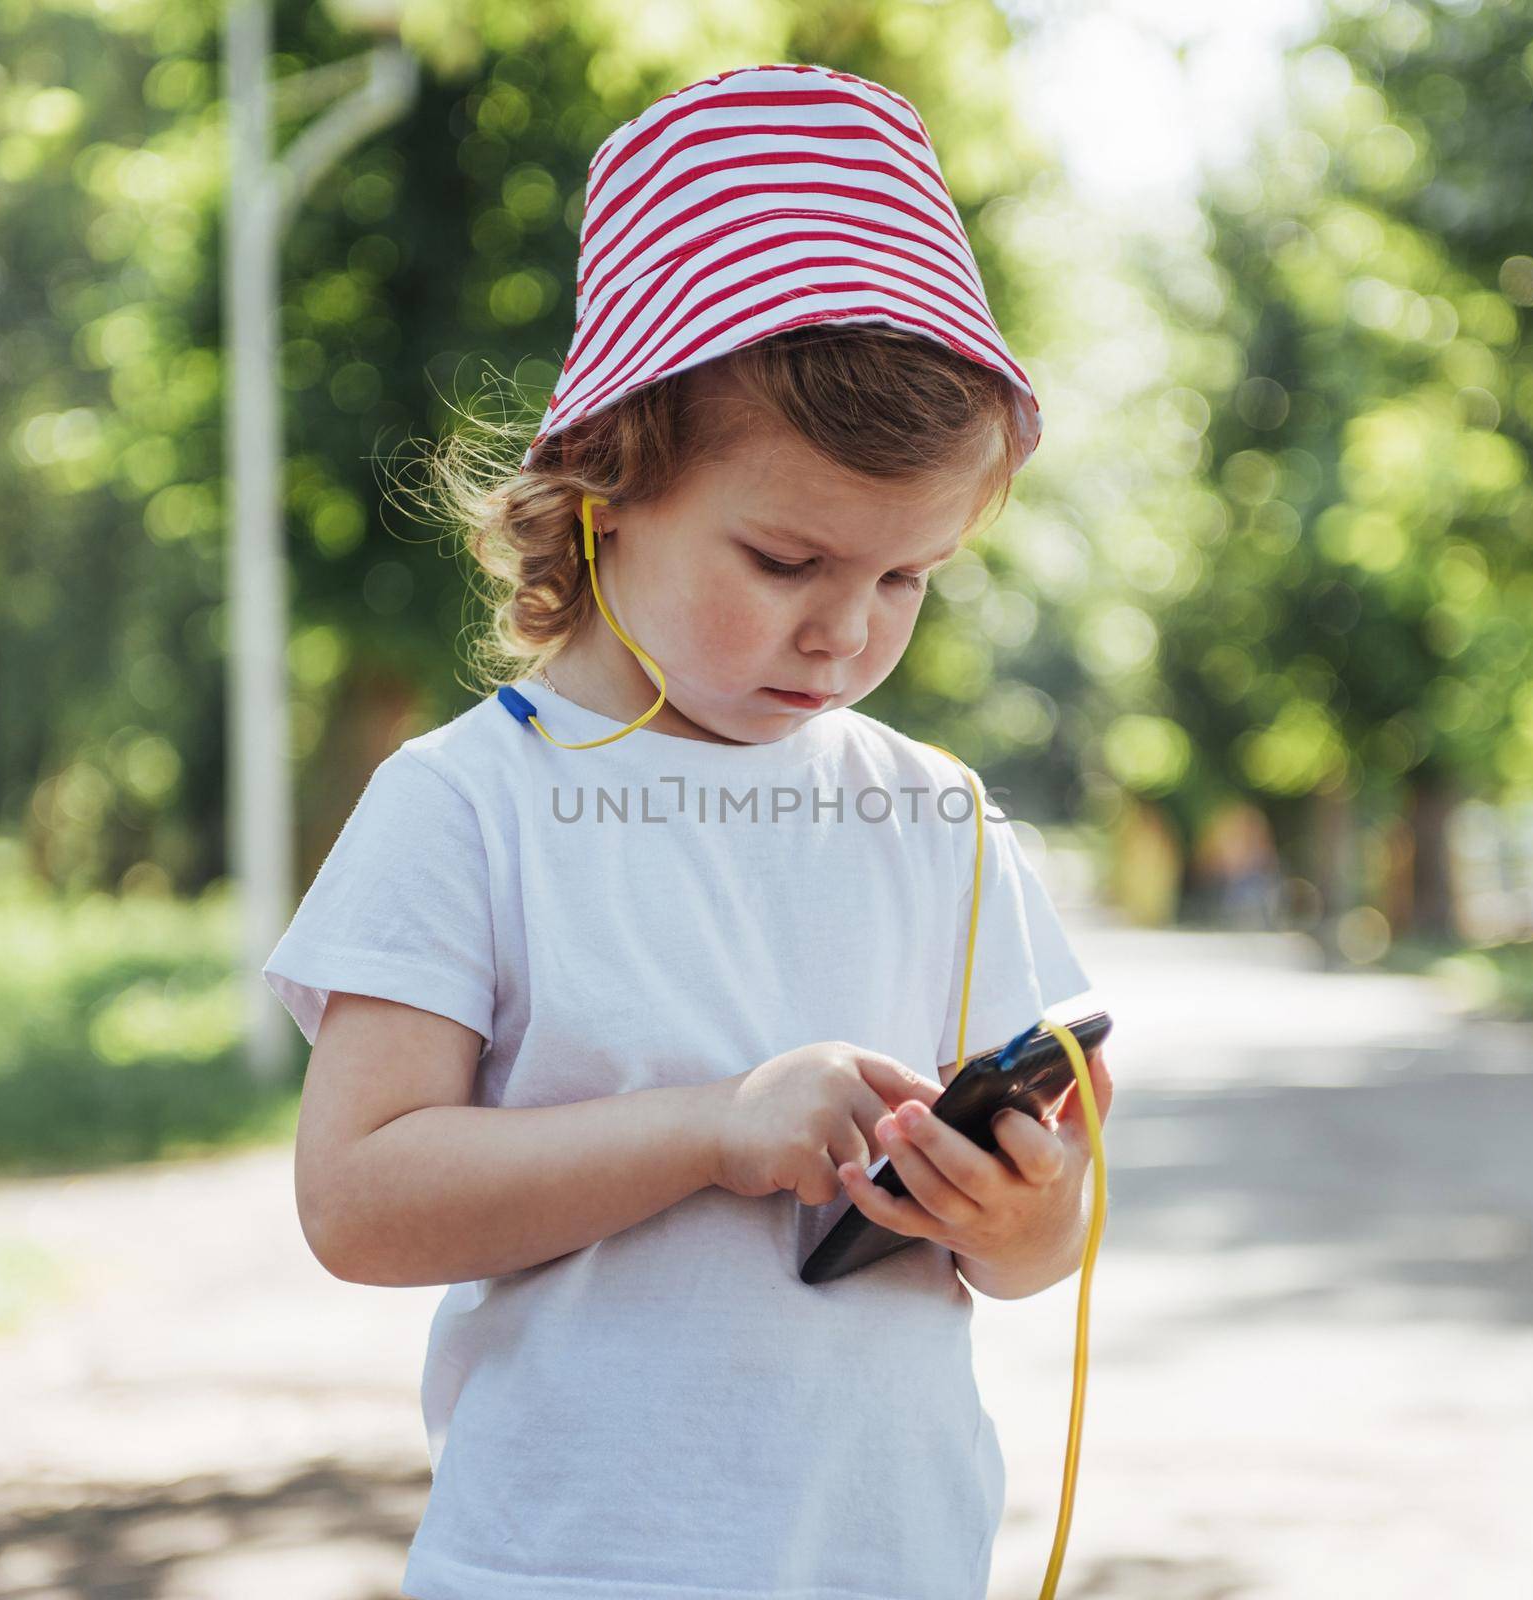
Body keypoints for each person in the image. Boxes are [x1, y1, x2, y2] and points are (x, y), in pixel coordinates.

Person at [264, 61, 1113, 1600]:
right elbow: (358, 1197)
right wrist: (714, 1131)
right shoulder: (471, 803)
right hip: (568, 1570)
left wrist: (1028, 1208)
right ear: (607, 482)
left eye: (907, 578)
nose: (847, 634)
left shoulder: (936, 821)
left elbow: (1029, 1259)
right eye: (787, 558)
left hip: (893, 1568)